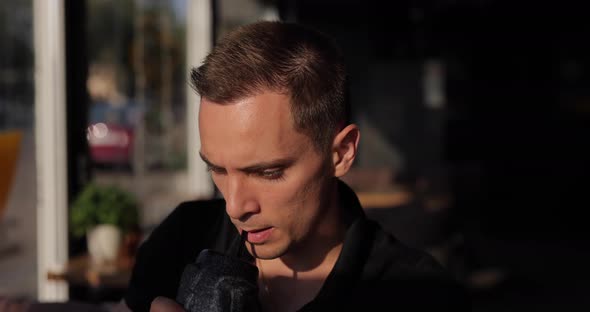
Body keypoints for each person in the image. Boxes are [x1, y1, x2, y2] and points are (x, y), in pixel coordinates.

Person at [122, 21, 469, 312]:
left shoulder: (414, 293)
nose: (235, 205)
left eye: (267, 172)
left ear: (342, 153)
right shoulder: (185, 237)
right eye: (219, 170)